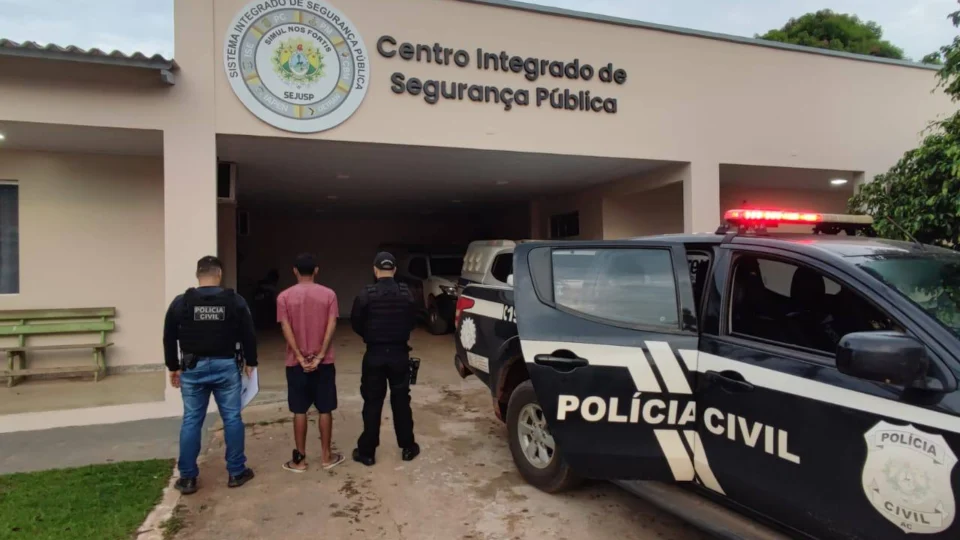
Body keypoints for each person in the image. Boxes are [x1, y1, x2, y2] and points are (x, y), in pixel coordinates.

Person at [164, 256, 257, 495]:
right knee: (232, 419)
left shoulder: (181, 302)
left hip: (192, 369)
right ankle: (236, 472)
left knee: (192, 420)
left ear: (198, 275)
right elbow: (248, 332)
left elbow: (169, 335)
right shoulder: (234, 301)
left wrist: (173, 366)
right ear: (219, 274)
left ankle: (187, 478)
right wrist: (251, 361)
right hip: (226, 367)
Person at [351, 252, 420, 466]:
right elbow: (413, 320)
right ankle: (408, 447)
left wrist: (371, 337)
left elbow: (356, 323)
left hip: (375, 355)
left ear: (375, 269)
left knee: (372, 402)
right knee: (401, 401)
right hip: (399, 354)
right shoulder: (406, 293)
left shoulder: (366, 295)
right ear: (395, 270)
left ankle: (367, 452)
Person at [277, 253, 344, 472]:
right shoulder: (329, 295)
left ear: (294, 271)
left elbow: (286, 328)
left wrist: (297, 356)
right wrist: (320, 355)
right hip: (323, 363)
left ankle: (300, 459)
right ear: (316, 270)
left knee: (299, 410)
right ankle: (326, 456)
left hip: (296, 364)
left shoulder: (284, 297)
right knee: (325, 409)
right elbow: (331, 324)